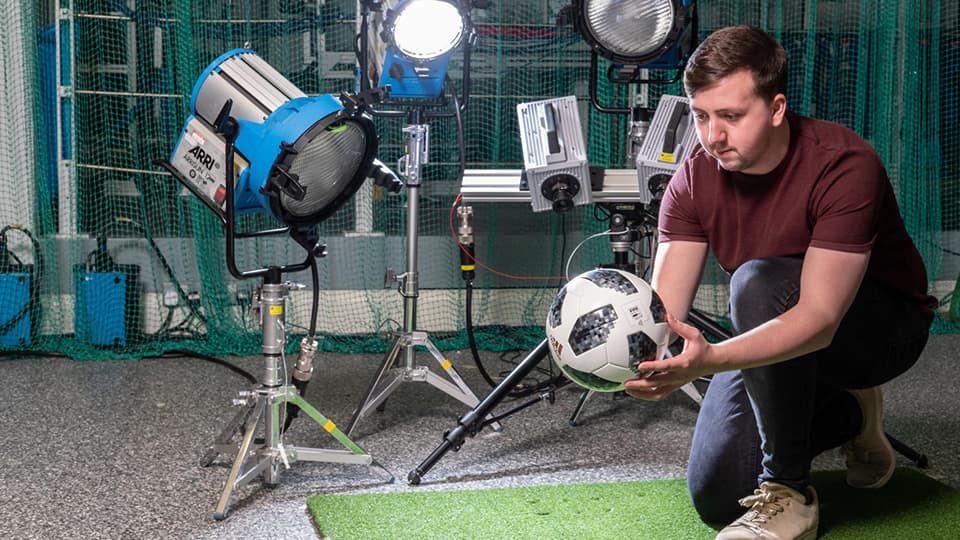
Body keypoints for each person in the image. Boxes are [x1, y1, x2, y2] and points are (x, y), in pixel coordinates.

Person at [623, 25, 936, 540]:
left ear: (776, 108)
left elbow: (818, 319)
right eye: (701, 116)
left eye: (730, 116)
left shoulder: (843, 164)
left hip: (876, 332)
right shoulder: (694, 177)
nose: (712, 136)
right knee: (718, 495)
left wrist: (715, 359)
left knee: (757, 282)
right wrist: (640, 359)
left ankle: (791, 492)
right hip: (774, 322)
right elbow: (664, 314)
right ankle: (851, 416)